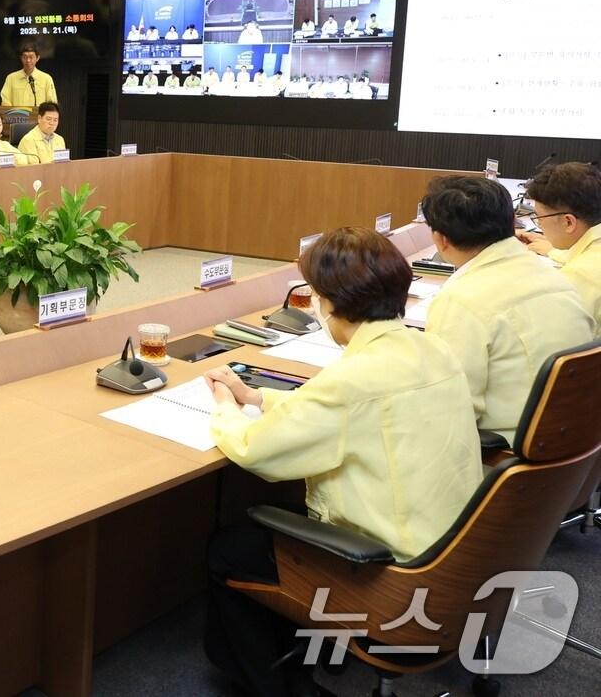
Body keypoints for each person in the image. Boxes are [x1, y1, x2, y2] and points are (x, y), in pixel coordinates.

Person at [203, 227, 480, 697]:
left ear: (332, 302)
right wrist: (257, 396)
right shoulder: (429, 347)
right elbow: (332, 412)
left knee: (230, 547)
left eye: (314, 295)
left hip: (395, 575)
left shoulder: (355, 377)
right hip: (455, 556)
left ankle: (283, 687)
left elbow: (256, 449)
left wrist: (228, 409)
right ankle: (318, 649)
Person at [422, 176, 592, 444]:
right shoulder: (557, 277)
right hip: (570, 452)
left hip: (504, 459)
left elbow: (449, 411)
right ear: (512, 224)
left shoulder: (461, 301)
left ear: (441, 240)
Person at [519, 162, 601, 327]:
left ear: (568, 222)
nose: (540, 225)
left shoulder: (576, 278)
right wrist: (552, 249)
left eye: (539, 218)